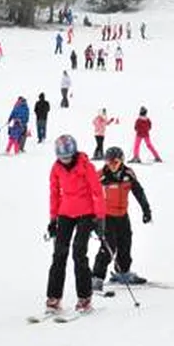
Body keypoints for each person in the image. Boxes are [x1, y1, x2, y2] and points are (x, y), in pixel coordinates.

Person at [45, 135, 106, 316]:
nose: (65, 161)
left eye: (68, 157)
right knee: (59, 254)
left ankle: (84, 297)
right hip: (65, 212)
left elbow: (97, 192)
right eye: (62, 158)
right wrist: (53, 219)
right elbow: (54, 193)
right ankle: (54, 297)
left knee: (79, 252)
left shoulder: (86, 166)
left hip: (86, 213)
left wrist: (100, 218)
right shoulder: (56, 168)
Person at [92, 147, 153, 290]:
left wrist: (146, 210)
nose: (112, 165)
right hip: (106, 216)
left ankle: (122, 272)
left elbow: (138, 192)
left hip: (123, 215)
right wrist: (92, 218)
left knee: (126, 243)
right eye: (109, 162)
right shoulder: (101, 175)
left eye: (116, 162)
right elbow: (88, 195)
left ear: (122, 161)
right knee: (109, 246)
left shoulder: (128, 174)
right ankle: (96, 277)